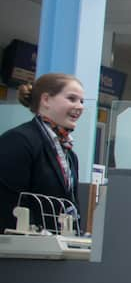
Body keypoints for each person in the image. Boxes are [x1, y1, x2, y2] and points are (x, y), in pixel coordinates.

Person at [0, 73, 85, 233]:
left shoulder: (69, 154)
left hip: (56, 247)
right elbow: (9, 203)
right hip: (21, 250)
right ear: (46, 100)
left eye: (81, 101)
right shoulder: (19, 140)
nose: (80, 106)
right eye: (72, 99)